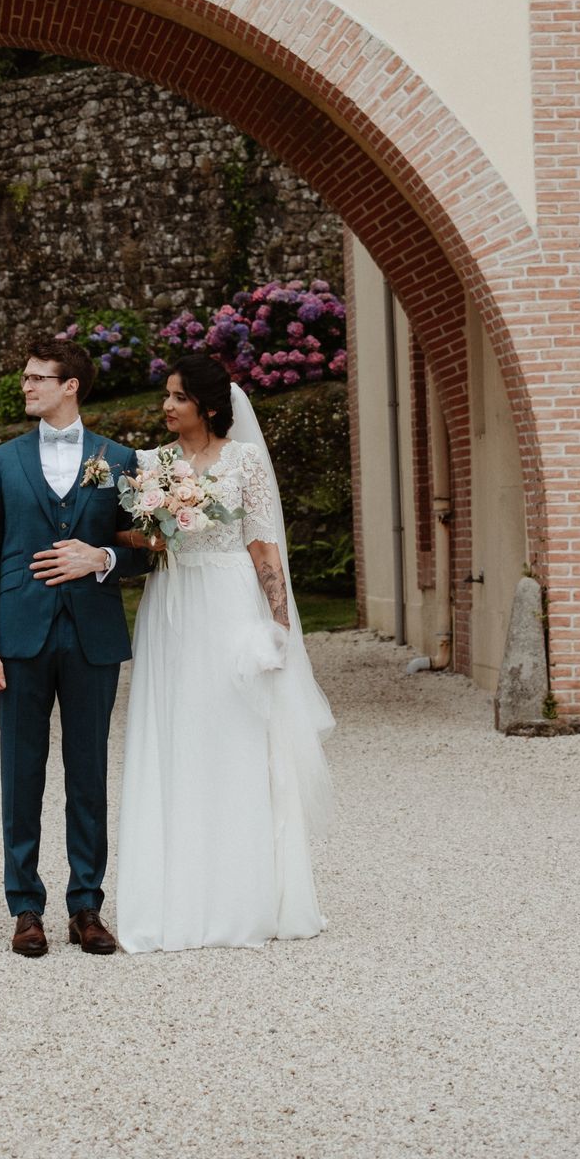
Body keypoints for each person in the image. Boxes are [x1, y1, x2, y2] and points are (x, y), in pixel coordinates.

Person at [113, 350, 336, 953]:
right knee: (175, 733)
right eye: (166, 395)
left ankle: (245, 895)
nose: (166, 406)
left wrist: (279, 630)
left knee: (236, 738)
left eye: (177, 397)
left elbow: (265, 550)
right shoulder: (152, 463)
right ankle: (173, 896)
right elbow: (139, 536)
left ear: (208, 406)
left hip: (230, 602)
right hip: (172, 604)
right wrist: (154, 525)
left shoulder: (244, 461)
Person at [0, 336, 139, 957]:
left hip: (93, 637)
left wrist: (102, 557)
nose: (27, 387)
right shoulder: (3, 460)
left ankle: (86, 906)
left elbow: (149, 550)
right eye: (25, 379)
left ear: (71, 385)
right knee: (21, 772)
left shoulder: (120, 458)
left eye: (39, 378)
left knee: (88, 773)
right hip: (18, 639)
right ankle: (25, 908)